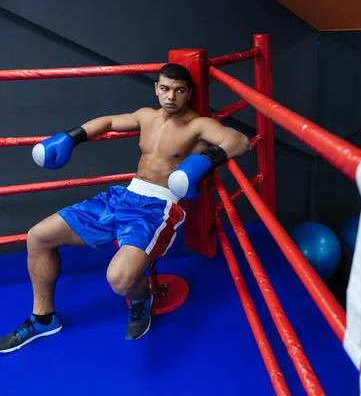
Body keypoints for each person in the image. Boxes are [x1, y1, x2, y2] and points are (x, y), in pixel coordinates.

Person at [0, 63, 250, 353]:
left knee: (120, 280)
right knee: (38, 236)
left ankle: (141, 299)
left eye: (179, 90)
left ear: (188, 93)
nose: (171, 97)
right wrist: (72, 136)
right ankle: (43, 318)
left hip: (157, 207)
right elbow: (108, 121)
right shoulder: (146, 116)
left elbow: (239, 140)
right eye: (165, 89)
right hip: (122, 197)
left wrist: (206, 160)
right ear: (156, 88)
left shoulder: (198, 125)